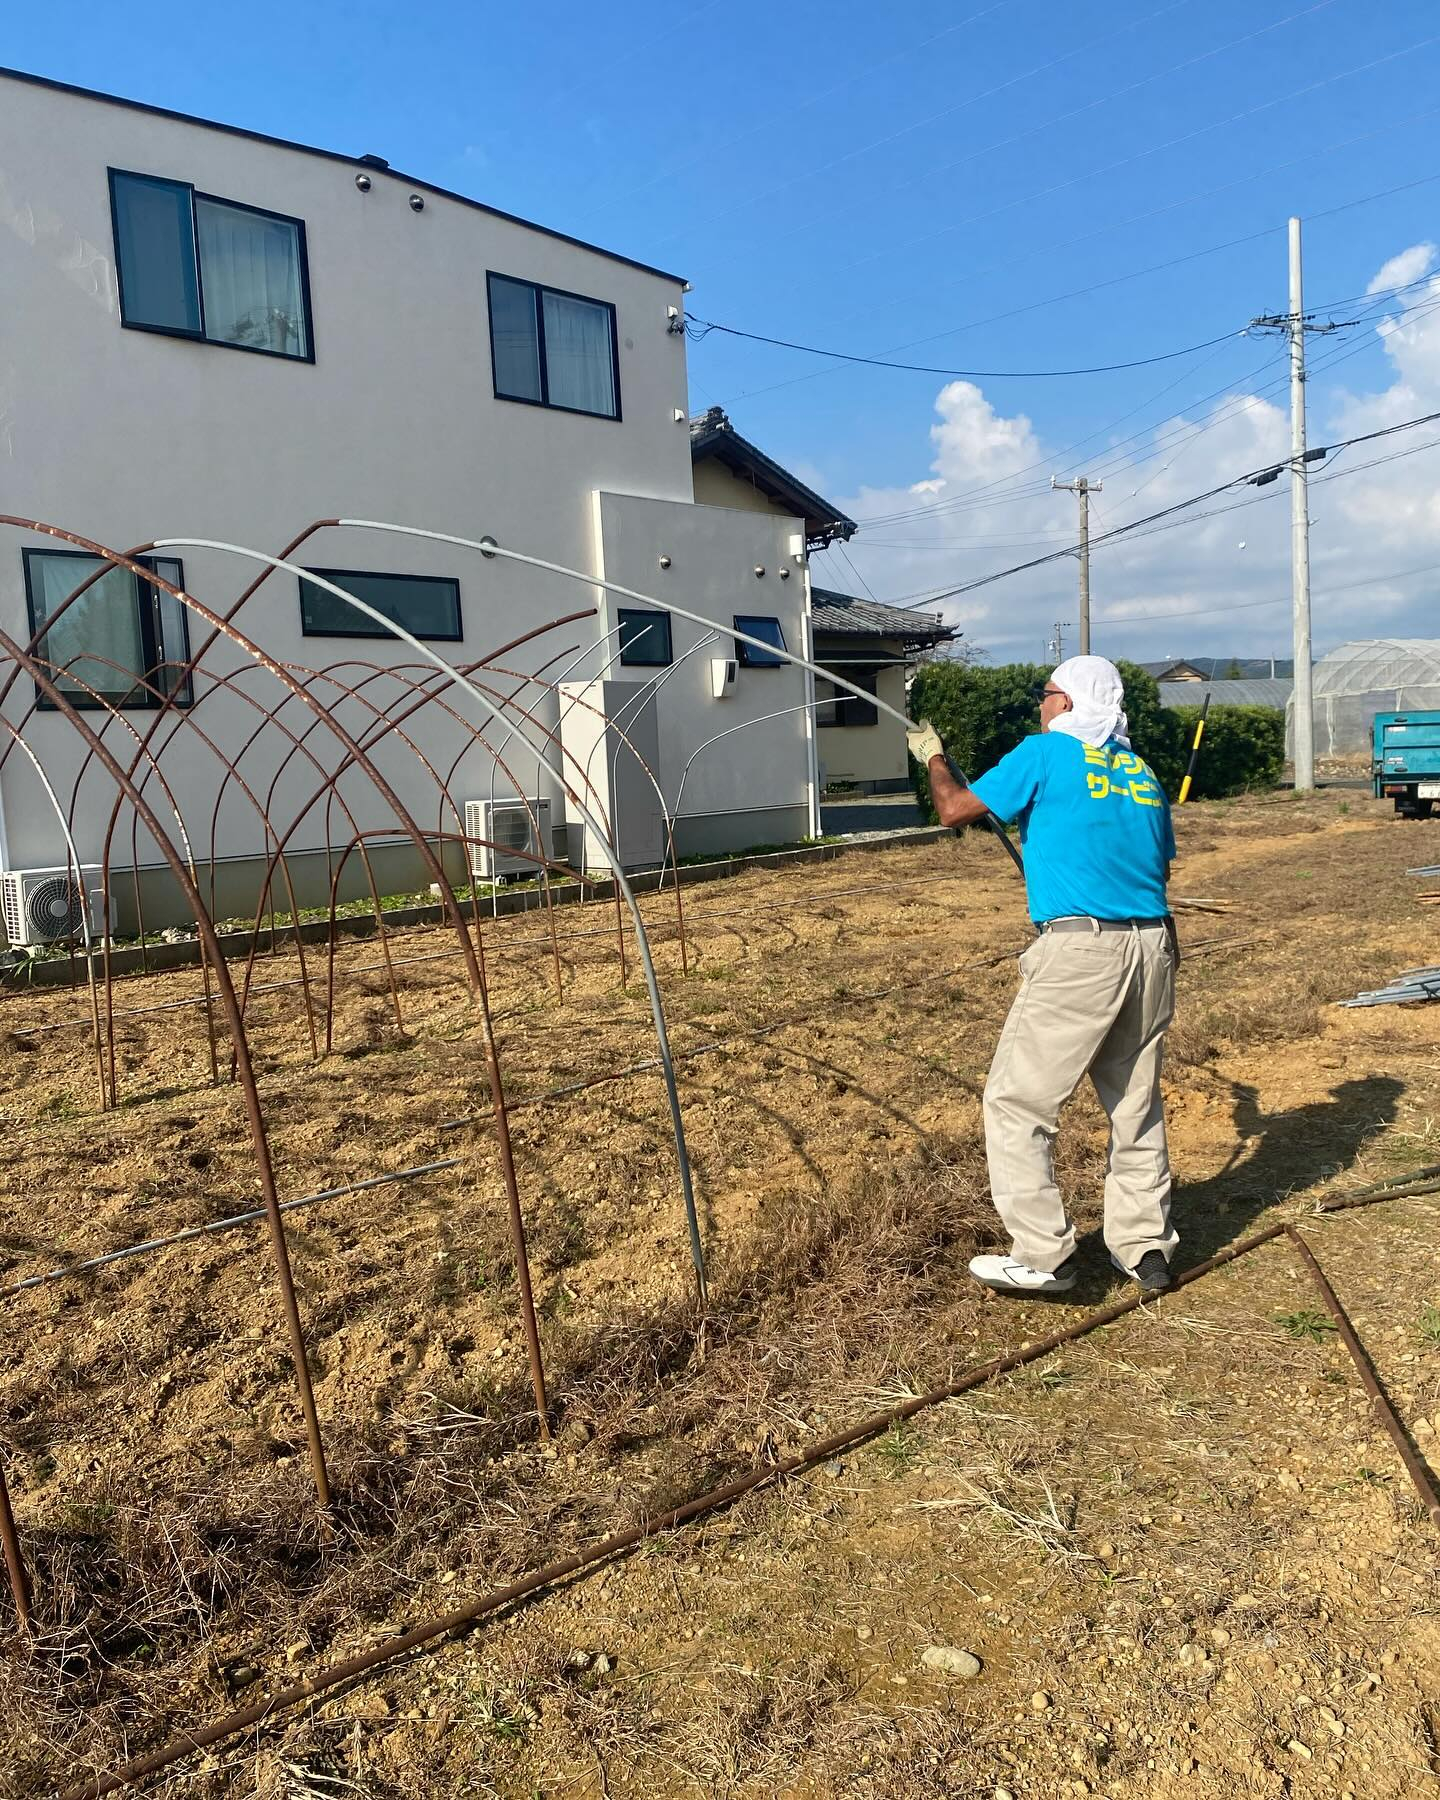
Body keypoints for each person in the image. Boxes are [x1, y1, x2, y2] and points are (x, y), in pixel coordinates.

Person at [906, 655, 1178, 1298]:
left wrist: (935, 758)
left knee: (1017, 1102)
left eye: (1046, 693)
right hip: (1153, 946)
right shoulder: (1140, 772)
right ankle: (1144, 1249)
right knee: (1135, 1103)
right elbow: (1157, 865)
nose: (1040, 704)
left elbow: (953, 811)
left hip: (1081, 952)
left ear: (1066, 703)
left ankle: (1044, 1255)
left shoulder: (1044, 753)